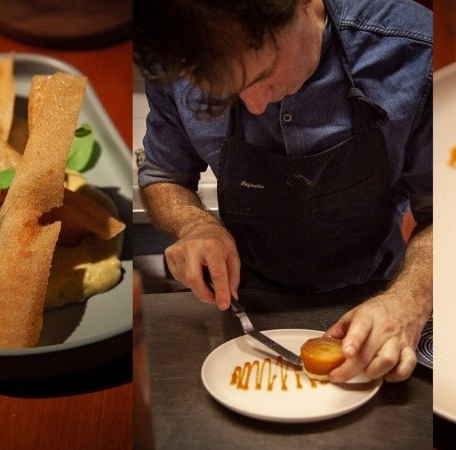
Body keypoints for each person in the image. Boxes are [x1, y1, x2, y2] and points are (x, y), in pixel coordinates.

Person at [133, 0, 432, 383]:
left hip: (379, 295)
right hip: (247, 306)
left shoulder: (412, 51)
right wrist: (194, 226)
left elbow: (442, 214)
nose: (255, 106)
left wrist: (410, 300)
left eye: (266, 73)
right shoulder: (176, 56)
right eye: (224, 94)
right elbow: (163, 174)